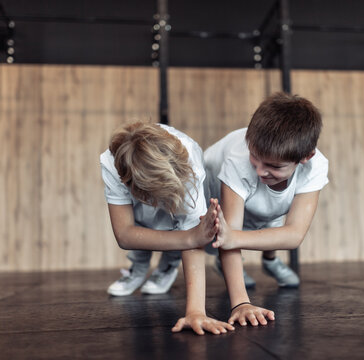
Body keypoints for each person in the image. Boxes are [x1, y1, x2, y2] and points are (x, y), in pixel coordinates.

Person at [205, 92, 329, 326]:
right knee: (212, 235)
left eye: (273, 165)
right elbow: (227, 237)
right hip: (210, 189)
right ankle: (171, 263)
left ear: (306, 157)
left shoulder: (316, 165)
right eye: (255, 157)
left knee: (273, 211)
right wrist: (241, 303)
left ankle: (270, 260)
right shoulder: (238, 161)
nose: (261, 170)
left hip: (263, 204)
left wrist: (233, 237)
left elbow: (293, 234)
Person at [100, 121, 234, 335]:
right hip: (139, 186)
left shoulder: (191, 166)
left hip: (178, 183)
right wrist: (190, 238)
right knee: (141, 219)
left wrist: (195, 311)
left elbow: (195, 239)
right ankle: (138, 267)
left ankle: (168, 264)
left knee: (179, 221)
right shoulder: (110, 163)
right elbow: (125, 234)